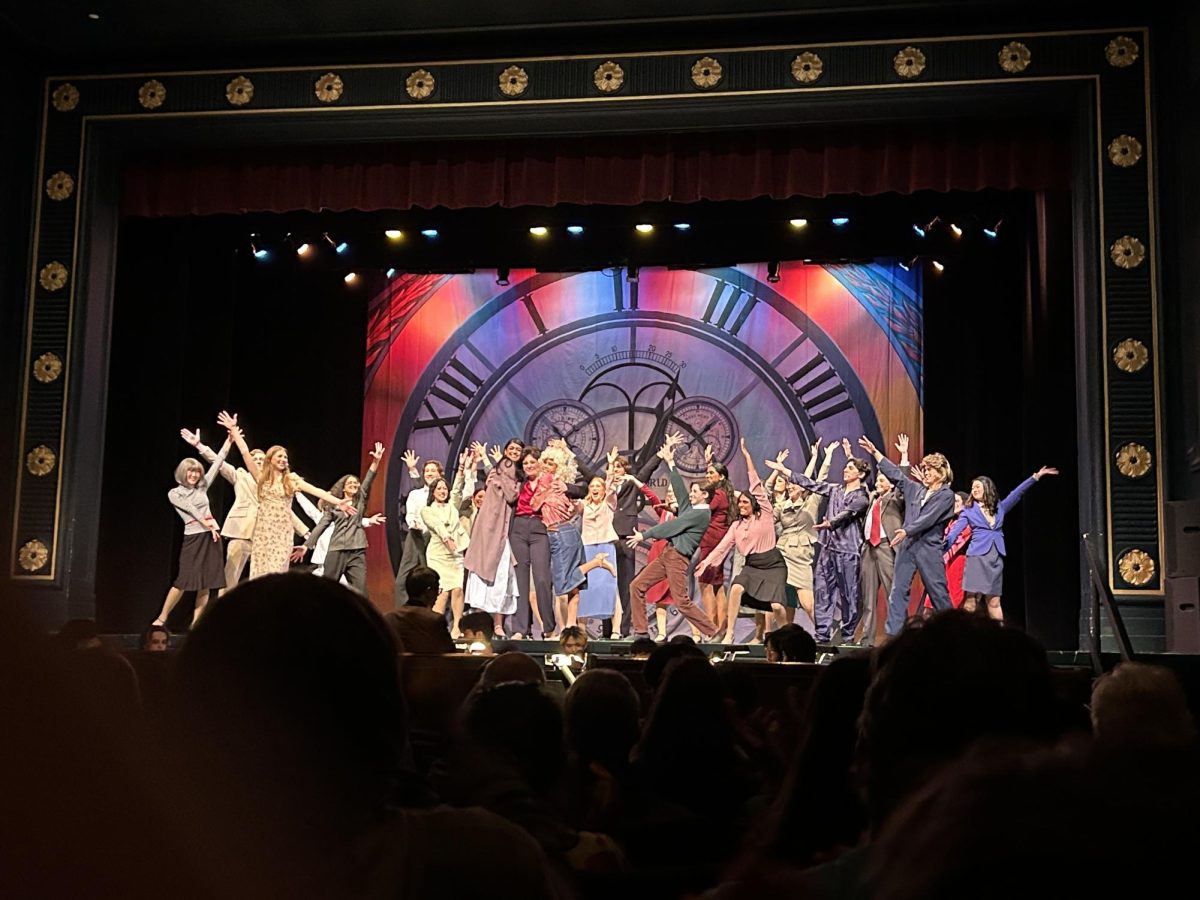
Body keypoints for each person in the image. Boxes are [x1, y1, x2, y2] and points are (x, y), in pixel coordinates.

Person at [221, 412, 355, 580]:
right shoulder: (262, 478)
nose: (284, 459)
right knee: (259, 575)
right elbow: (245, 453)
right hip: (263, 532)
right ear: (270, 460)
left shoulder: (291, 480)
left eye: (285, 456)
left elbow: (316, 490)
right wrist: (233, 429)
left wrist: (338, 503)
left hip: (282, 533)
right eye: (280, 456)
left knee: (277, 573)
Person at [185, 425, 310, 594]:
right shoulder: (240, 475)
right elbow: (218, 463)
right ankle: (225, 611)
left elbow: (284, 511)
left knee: (264, 580)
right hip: (241, 533)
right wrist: (200, 446)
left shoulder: (275, 482)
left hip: (266, 537)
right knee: (230, 578)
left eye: (261, 459)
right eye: (255, 459)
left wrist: (305, 532)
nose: (258, 461)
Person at [858, 433, 956, 637]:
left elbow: (929, 518)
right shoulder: (916, 490)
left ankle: (953, 633)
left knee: (938, 592)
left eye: (930, 469)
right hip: (909, 546)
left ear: (941, 472)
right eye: (925, 469)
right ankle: (894, 636)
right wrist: (876, 454)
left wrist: (907, 529)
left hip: (928, 549)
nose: (926, 472)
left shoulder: (946, 495)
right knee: (897, 592)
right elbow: (896, 475)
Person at [626, 438, 720, 640]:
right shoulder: (692, 508)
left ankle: (713, 631)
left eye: (695, 491)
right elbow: (679, 490)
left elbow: (672, 526)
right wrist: (671, 463)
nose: (691, 494)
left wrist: (645, 534)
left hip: (678, 558)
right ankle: (641, 632)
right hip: (667, 554)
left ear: (704, 495)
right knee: (636, 586)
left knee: (681, 600)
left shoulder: (701, 514)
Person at [697, 439, 789, 645]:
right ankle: (729, 634)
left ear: (754, 504)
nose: (742, 505)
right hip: (752, 565)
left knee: (776, 607)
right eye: (740, 503)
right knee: (736, 588)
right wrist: (706, 562)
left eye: (745, 502)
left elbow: (755, 484)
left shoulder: (764, 514)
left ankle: (787, 636)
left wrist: (747, 458)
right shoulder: (736, 526)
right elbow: (722, 547)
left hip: (773, 564)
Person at [947, 467, 1059, 622]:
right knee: (972, 600)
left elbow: (1017, 493)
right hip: (976, 558)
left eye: (978, 486)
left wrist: (1035, 477)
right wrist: (942, 548)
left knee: (993, 601)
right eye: (973, 488)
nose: (974, 490)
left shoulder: (1000, 508)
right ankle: (966, 636)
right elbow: (954, 533)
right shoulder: (969, 511)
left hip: (995, 558)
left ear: (988, 488)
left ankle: (1000, 639)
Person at [787, 437, 870, 644]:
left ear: (859, 474)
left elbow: (849, 513)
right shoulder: (835, 490)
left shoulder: (862, 497)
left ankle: (848, 635)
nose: (845, 470)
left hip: (848, 550)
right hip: (828, 549)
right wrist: (786, 471)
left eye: (850, 468)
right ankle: (821, 635)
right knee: (823, 591)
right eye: (845, 467)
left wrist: (829, 523)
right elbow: (813, 484)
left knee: (849, 594)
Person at [577, 445, 664, 638]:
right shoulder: (600, 490)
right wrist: (570, 455)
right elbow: (587, 474)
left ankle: (622, 630)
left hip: (624, 540)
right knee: (601, 585)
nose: (616, 470)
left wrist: (659, 454)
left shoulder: (630, 485)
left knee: (624, 586)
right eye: (613, 467)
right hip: (602, 543)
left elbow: (645, 471)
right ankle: (607, 631)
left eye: (619, 467)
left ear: (625, 471)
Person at [532, 442, 614, 636]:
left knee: (564, 585)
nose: (546, 465)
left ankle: (565, 628)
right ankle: (568, 627)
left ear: (558, 467)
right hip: (561, 532)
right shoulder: (545, 482)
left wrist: (562, 490)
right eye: (545, 461)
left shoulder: (555, 483)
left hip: (562, 532)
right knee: (571, 587)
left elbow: (535, 505)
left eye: (551, 463)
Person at [152, 435, 229, 628]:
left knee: (206, 583)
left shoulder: (202, 488)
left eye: (196, 472)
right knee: (183, 580)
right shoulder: (174, 493)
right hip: (194, 538)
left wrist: (229, 440)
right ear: (183, 473)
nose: (194, 475)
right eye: (190, 472)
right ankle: (162, 618)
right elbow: (191, 509)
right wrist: (208, 524)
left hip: (211, 537)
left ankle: (196, 625)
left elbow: (219, 462)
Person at [297, 442, 385, 596]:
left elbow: (368, 480)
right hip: (336, 550)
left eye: (356, 483)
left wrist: (376, 461)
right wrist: (306, 546)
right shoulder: (333, 506)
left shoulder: (360, 501)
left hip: (356, 549)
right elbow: (321, 526)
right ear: (343, 488)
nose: (354, 484)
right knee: (328, 587)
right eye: (349, 483)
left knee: (361, 590)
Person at [764, 439, 831, 633]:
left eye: (795, 484)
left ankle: (823, 633)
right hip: (782, 554)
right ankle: (783, 635)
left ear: (803, 487)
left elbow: (820, 479)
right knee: (778, 602)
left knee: (808, 603)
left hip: (801, 557)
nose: (791, 486)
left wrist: (824, 458)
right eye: (790, 484)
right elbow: (768, 514)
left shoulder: (812, 502)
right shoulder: (782, 506)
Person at [464, 439, 522, 637]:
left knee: (501, 576)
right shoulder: (502, 469)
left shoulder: (510, 472)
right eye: (511, 449)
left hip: (501, 531)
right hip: (488, 528)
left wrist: (494, 463)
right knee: (482, 573)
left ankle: (497, 623)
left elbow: (511, 494)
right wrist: (494, 464)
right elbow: (505, 488)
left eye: (518, 450)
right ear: (506, 450)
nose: (514, 452)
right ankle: (483, 622)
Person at [509, 446, 555, 639]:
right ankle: (521, 629)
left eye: (532, 462)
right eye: (525, 463)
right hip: (518, 529)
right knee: (520, 580)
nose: (528, 465)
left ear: (540, 463)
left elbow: (577, 489)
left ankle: (549, 627)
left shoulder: (550, 482)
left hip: (539, 529)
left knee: (542, 579)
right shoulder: (519, 483)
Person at [857, 467, 905, 647]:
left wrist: (904, 459)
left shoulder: (895, 498)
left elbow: (902, 484)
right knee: (868, 597)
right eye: (877, 481)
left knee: (892, 594)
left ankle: (898, 637)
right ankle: (866, 640)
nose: (878, 484)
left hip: (886, 546)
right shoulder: (872, 498)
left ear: (891, 484)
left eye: (882, 481)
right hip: (869, 548)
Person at [421, 472, 471, 639]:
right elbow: (436, 525)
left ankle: (456, 627)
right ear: (433, 491)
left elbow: (457, 489)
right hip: (438, 554)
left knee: (457, 589)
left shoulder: (452, 506)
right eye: (439, 488)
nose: (443, 491)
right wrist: (447, 538)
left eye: (445, 488)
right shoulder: (427, 510)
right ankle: (435, 628)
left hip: (455, 554)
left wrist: (462, 469)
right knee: (441, 592)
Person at [578, 450, 623, 628]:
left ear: (603, 490)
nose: (595, 488)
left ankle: (616, 629)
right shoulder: (583, 505)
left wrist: (611, 467)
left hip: (605, 548)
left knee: (610, 586)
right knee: (585, 588)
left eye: (598, 486)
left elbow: (612, 486)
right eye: (592, 486)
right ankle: (581, 628)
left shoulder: (609, 503)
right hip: (587, 548)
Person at [394, 450, 445, 606]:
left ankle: (431, 611)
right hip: (416, 536)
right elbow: (410, 514)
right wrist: (413, 524)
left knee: (432, 578)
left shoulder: (443, 494)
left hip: (435, 538)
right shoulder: (416, 494)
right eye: (427, 471)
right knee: (402, 579)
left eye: (433, 470)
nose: (429, 473)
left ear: (440, 474)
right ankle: (402, 610)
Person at [696, 446, 735, 634]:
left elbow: (703, 509)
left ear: (721, 477)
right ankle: (721, 628)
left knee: (704, 583)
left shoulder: (718, 494)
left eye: (711, 473)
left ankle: (711, 627)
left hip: (712, 541)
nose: (707, 475)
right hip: (718, 539)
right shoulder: (723, 491)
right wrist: (708, 462)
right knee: (717, 584)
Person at [383, 566, 456, 654]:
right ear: (429, 592)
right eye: (437, 590)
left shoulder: (389, 618)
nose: (438, 595)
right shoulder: (435, 620)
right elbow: (451, 653)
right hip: (430, 667)